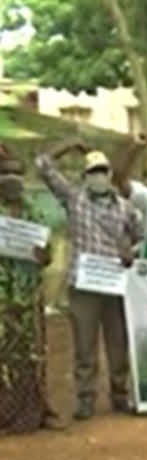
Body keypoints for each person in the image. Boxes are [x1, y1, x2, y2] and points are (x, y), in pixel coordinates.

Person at [35, 142, 141, 421]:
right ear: (85, 177)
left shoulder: (126, 208)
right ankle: (85, 398)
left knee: (118, 342)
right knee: (84, 343)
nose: (98, 177)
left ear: (109, 174)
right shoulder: (74, 199)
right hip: (84, 285)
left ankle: (119, 393)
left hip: (116, 284)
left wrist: (132, 253)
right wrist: (68, 146)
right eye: (92, 172)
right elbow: (43, 165)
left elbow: (141, 239)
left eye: (102, 171)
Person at [0, 144, 65, 433]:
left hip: (28, 297)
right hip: (2, 299)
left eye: (16, 175)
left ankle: (37, 410)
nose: (11, 180)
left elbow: (46, 251)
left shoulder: (32, 210)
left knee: (32, 354)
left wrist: (44, 255)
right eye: (5, 174)